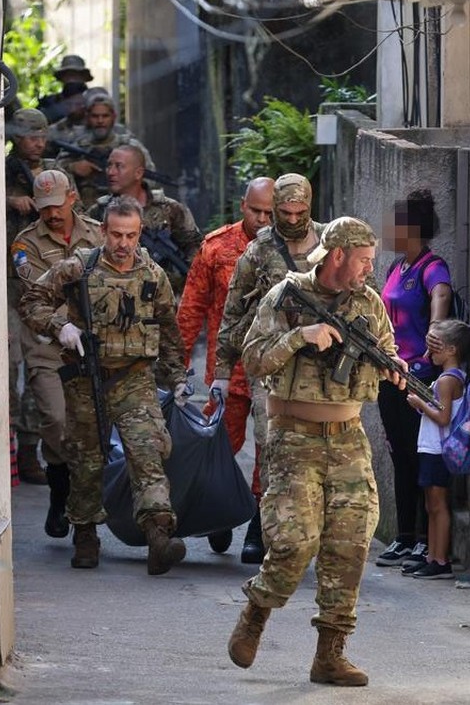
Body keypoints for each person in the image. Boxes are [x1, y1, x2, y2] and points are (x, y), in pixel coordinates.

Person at [227, 217, 408, 687]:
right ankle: (256, 613)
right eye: (364, 260)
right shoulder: (285, 295)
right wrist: (299, 338)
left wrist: (395, 367)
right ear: (337, 256)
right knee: (293, 541)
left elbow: (385, 347)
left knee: (350, 542)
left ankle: (330, 653)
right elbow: (252, 359)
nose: (371, 268)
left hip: (347, 436)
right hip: (293, 434)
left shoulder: (368, 302)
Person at [18, 195, 190, 575]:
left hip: (134, 378)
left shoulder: (153, 275)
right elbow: (31, 301)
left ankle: (158, 533)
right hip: (86, 378)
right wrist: (58, 326)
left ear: (140, 232)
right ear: (103, 231)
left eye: (130, 235)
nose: (123, 243)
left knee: (148, 452)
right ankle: (85, 533)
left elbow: (169, 331)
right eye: (115, 234)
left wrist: (177, 378)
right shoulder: (78, 268)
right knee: (86, 460)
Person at [213, 173, 325, 563]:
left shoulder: (330, 243)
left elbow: (362, 290)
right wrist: (222, 373)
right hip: (271, 364)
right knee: (269, 443)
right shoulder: (259, 250)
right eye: (284, 212)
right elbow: (234, 311)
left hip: (319, 367)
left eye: (300, 212)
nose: (292, 220)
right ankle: (259, 528)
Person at [176, 177, 275, 562]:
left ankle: (256, 525)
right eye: (257, 211)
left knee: (269, 451)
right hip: (228, 370)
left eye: (270, 212)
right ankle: (220, 509)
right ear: (242, 206)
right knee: (218, 444)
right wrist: (178, 367)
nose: (263, 219)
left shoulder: (293, 248)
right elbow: (192, 308)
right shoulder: (217, 247)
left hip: (273, 370)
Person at [11, 170, 103, 538]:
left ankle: (83, 507)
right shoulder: (26, 244)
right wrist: (62, 325)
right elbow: (35, 296)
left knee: (96, 426)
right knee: (57, 421)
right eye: (43, 207)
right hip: (49, 345)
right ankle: (59, 491)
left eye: (56, 205)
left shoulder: (97, 233)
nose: (51, 214)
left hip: (95, 346)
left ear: (73, 197)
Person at [376, 189, 454, 570]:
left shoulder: (431, 267)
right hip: (388, 372)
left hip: (418, 376)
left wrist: (435, 331)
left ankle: (425, 541)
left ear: (412, 229)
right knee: (397, 456)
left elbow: (441, 295)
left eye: (395, 224)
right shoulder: (396, 267)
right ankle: (403, 537)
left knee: (418, 455)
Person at [402, 320, 470, 579]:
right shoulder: (448, 378)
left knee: (437, 505)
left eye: (435, 348)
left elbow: (443, 418)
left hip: (438, 449)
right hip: (431, 447)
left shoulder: (448, 380)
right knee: (431, 505)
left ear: (452, 350)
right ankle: (432, 556)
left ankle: (440, 560)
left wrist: (420, 404)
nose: (427, 354)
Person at [5, 107, 56, 485]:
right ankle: (9, 449)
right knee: (8, 367)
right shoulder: (2, 169)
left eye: (41, 135)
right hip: (8, 284)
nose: (37, 142)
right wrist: (11, 201)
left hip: (43, 283)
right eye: (29, 135)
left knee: (43, 367)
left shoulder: (53, 173)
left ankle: (30, 447)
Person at [88, 144, 201, 296]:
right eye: (109, 165)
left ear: (138, 173)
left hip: (166, 299)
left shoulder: (170, 209)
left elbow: (195, 247)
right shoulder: (100, 210)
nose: (111, 172)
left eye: (119, 166)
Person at [56, 91, 155, 206]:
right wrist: (72, 168)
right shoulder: (77, 147)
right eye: (95, 116)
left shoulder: (130, 146)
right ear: (87, 117)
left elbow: (150, 179)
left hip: (125, 210)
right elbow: (53, 172)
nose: (100, 121)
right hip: (86, 212)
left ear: (113, 117)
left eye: (105, 116)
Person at [38, 54, 93, 124]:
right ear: (62, 78)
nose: (72, 79)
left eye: (76, 75)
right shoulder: (50, 103)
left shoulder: (93, 101)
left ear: (84, 77)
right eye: (68, 75)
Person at [44, 82, 89, 157]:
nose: (73, 109)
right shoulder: (53, 131)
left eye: (78, 104)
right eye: (69, 104)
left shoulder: (97, 128)